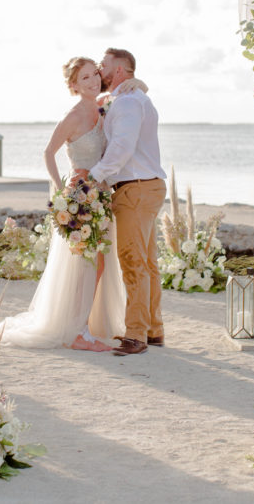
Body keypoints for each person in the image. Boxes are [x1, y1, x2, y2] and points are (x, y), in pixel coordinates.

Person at [1, 58, 127, 351]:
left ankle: (88, 324)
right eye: (85, 78)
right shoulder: (71, 117)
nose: (93, 81)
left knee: (101, 263)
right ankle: (78, 332)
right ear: (73, 85)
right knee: (86, 263)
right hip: (81, 196)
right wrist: (61, 191)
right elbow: (48, 152)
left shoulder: (103, 108)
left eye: (95, 75)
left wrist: (135, 84)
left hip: (102, 196)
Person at [75, 48, 166, 357]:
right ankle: (153, 329)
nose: (100, 69)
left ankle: (137, 334)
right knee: (147, 261)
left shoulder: (128, 101)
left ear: (120, 70)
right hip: (146, 186)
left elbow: (122, 147)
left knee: (133, 261)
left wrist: (95, 177)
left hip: (136, 188)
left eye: (104, 64)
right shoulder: (127, 98)